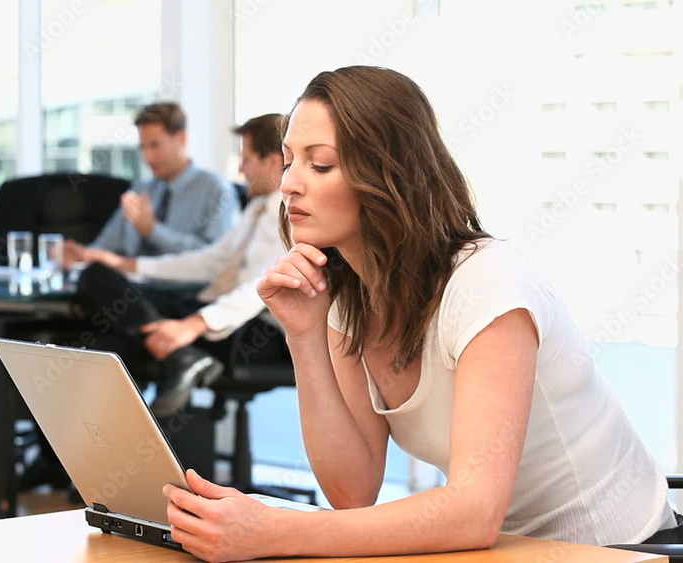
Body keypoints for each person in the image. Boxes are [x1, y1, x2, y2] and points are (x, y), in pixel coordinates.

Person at [160, 65, 678, 561]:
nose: (291, 183)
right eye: (289, 160)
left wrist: (275, 529)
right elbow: (353, 489)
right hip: (501, 551)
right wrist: (305, 336)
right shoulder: (348, 297)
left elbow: (473, 511)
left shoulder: (486, 283)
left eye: (319, 164)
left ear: (389, 175)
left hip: (615, 551)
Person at [76, 113, 287, 418]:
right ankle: (181, 358)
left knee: (114, 351)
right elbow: (211, 261)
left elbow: (264, 288)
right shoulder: (258, 208)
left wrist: (192, 326)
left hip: (254, 334)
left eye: (247, 158)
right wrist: (128, 264)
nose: (241, 168)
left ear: (273, 161)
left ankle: (148, 450)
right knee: (98, 284)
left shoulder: (290, 212)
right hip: (215, 313)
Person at [64, 102, 240, 264]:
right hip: (129, 284)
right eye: (143, 147)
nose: (147, 157)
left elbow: (216, 259)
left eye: (155, 145)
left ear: (181, 138)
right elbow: (106, 245)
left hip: (181, 292)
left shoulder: (215, 189)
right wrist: (82, 254)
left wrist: (152, 230)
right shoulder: (141, 189)